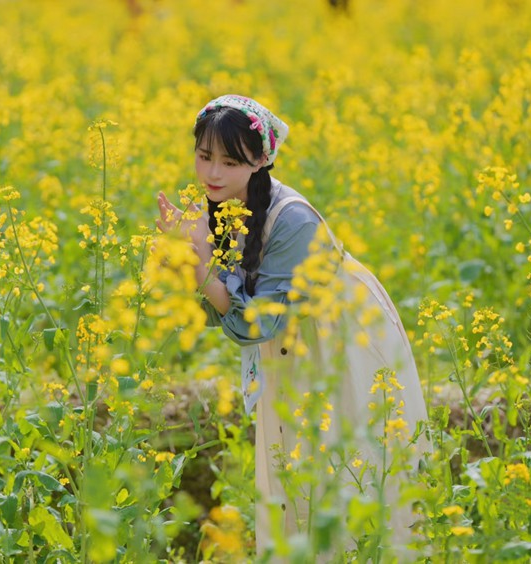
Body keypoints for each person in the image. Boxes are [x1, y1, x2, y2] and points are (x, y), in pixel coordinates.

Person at [156, 94, 429, 559]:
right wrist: (188, 262)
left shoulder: (293, 220)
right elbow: (224, 309)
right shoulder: (222, 206)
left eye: (228, 161)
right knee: (295, 474)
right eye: (204, 158)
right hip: (291, 344)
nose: (212, 174)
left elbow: (252, 325)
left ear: (261, 160)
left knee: (348, 468)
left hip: (341, 340)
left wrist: (201, 264)